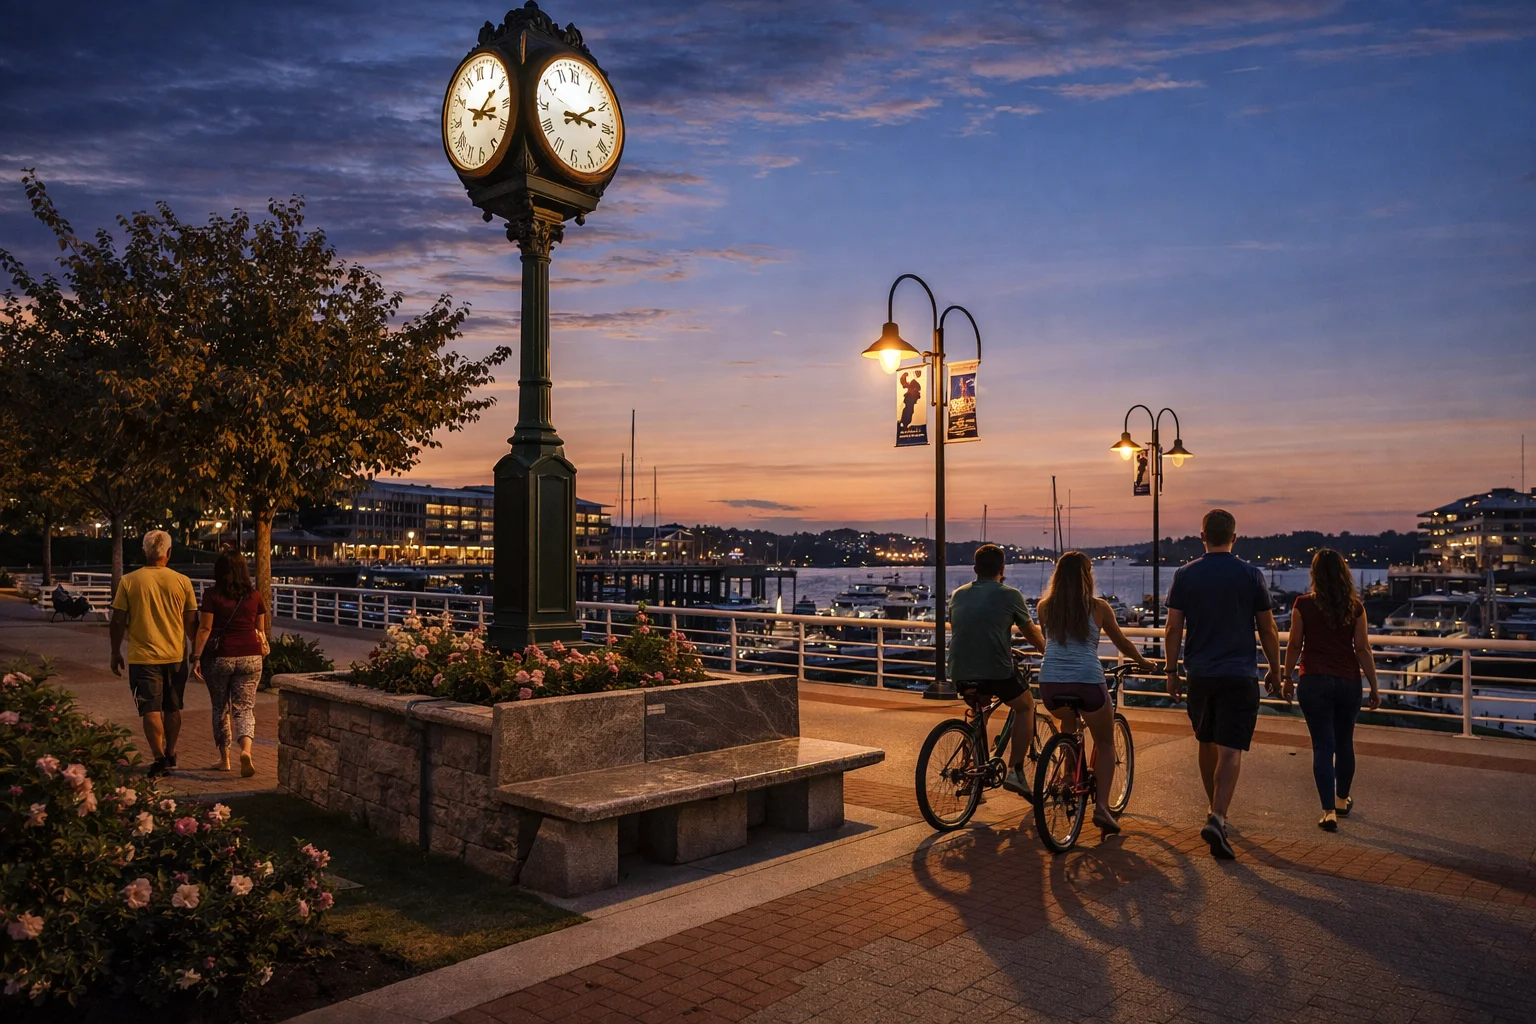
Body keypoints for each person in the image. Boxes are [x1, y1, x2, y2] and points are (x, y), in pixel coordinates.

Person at [1163, 509, 1281, 860]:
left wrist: (1171, 671)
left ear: (1202, 536)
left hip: (1200, 673)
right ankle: (1218, 814)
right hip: (1239, 673)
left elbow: (1173, 628)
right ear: (1234, 537)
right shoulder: (1251, 575)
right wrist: (1276, 669)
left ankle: (1213, 809)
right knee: (1231, 748)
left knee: (1206, 739)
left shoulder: (1185, 575)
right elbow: (1267, 628)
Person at [1036, 552, 1155, 834]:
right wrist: (1143, 662)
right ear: (1086, 576)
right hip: (1087, 682)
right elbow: (1122, 643)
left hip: (1050, 683)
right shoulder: (1099, 607)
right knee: (1104, 742)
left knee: (1068, 722)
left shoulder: (1044, 607)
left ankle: (1068, 776)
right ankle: (1101, 808)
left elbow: (1051, 641)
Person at [1282, 549, 1381, 832]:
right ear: (1343, 573)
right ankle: (1341, 801)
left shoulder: (1302, 604)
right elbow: (1362, 649)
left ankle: (1328, 813)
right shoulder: (1355, 608)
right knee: (1344, 743)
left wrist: (1286, 677)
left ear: (1314, 574)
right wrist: (1374, 686)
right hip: (1348, 682)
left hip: (1314, 681)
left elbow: (1295, 644)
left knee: (1322, 746)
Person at [949, 543, 1046, 797]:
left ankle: (971, 772)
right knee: (1025, 706)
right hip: (995, 671)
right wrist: (1049, 652)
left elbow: (969, 628)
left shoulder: (958, 594)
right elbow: (1030, 632)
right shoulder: (1010, 595)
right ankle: (1016, 771)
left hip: (959, 671)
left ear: (975, 569)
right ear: (1002, 569)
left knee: (978, 712)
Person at [110, 530, 198, 778]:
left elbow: (117, 621)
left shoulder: (129, 581)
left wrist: (115, 652)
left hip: (143, 657)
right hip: (176, 656)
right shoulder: (183, 581)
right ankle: (171, 753)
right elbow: (191, 621)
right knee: (173, 708)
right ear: (169, 553)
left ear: (144, 551)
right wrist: (196, 651)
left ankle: (158, 757)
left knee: (150, 708)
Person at [192, 550, 270, 778]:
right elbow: (260, 630)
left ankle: (224, 759)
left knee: (220, 707)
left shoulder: (212, 595)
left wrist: (196, 657)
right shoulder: (254, 596)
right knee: (244, 707)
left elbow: (205, 628)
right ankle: (246, 751)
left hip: (220, 657)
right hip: (250, 656)